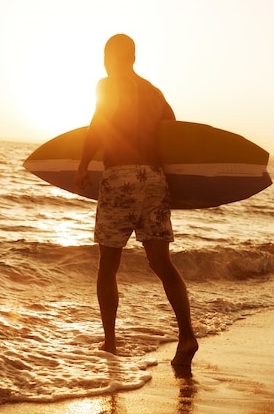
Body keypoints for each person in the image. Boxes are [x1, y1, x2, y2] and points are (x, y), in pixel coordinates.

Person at [75, 34, 198, 366]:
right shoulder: (154, 92)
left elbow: (97, 125)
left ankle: (111, 343)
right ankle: (186, 335)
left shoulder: (107, 84)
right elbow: (172, 132)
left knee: (108, 266)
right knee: (162, 264)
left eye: (105, 55)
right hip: (154, 179)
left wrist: (83, 165)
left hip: (121, 178)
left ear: (112, 57)